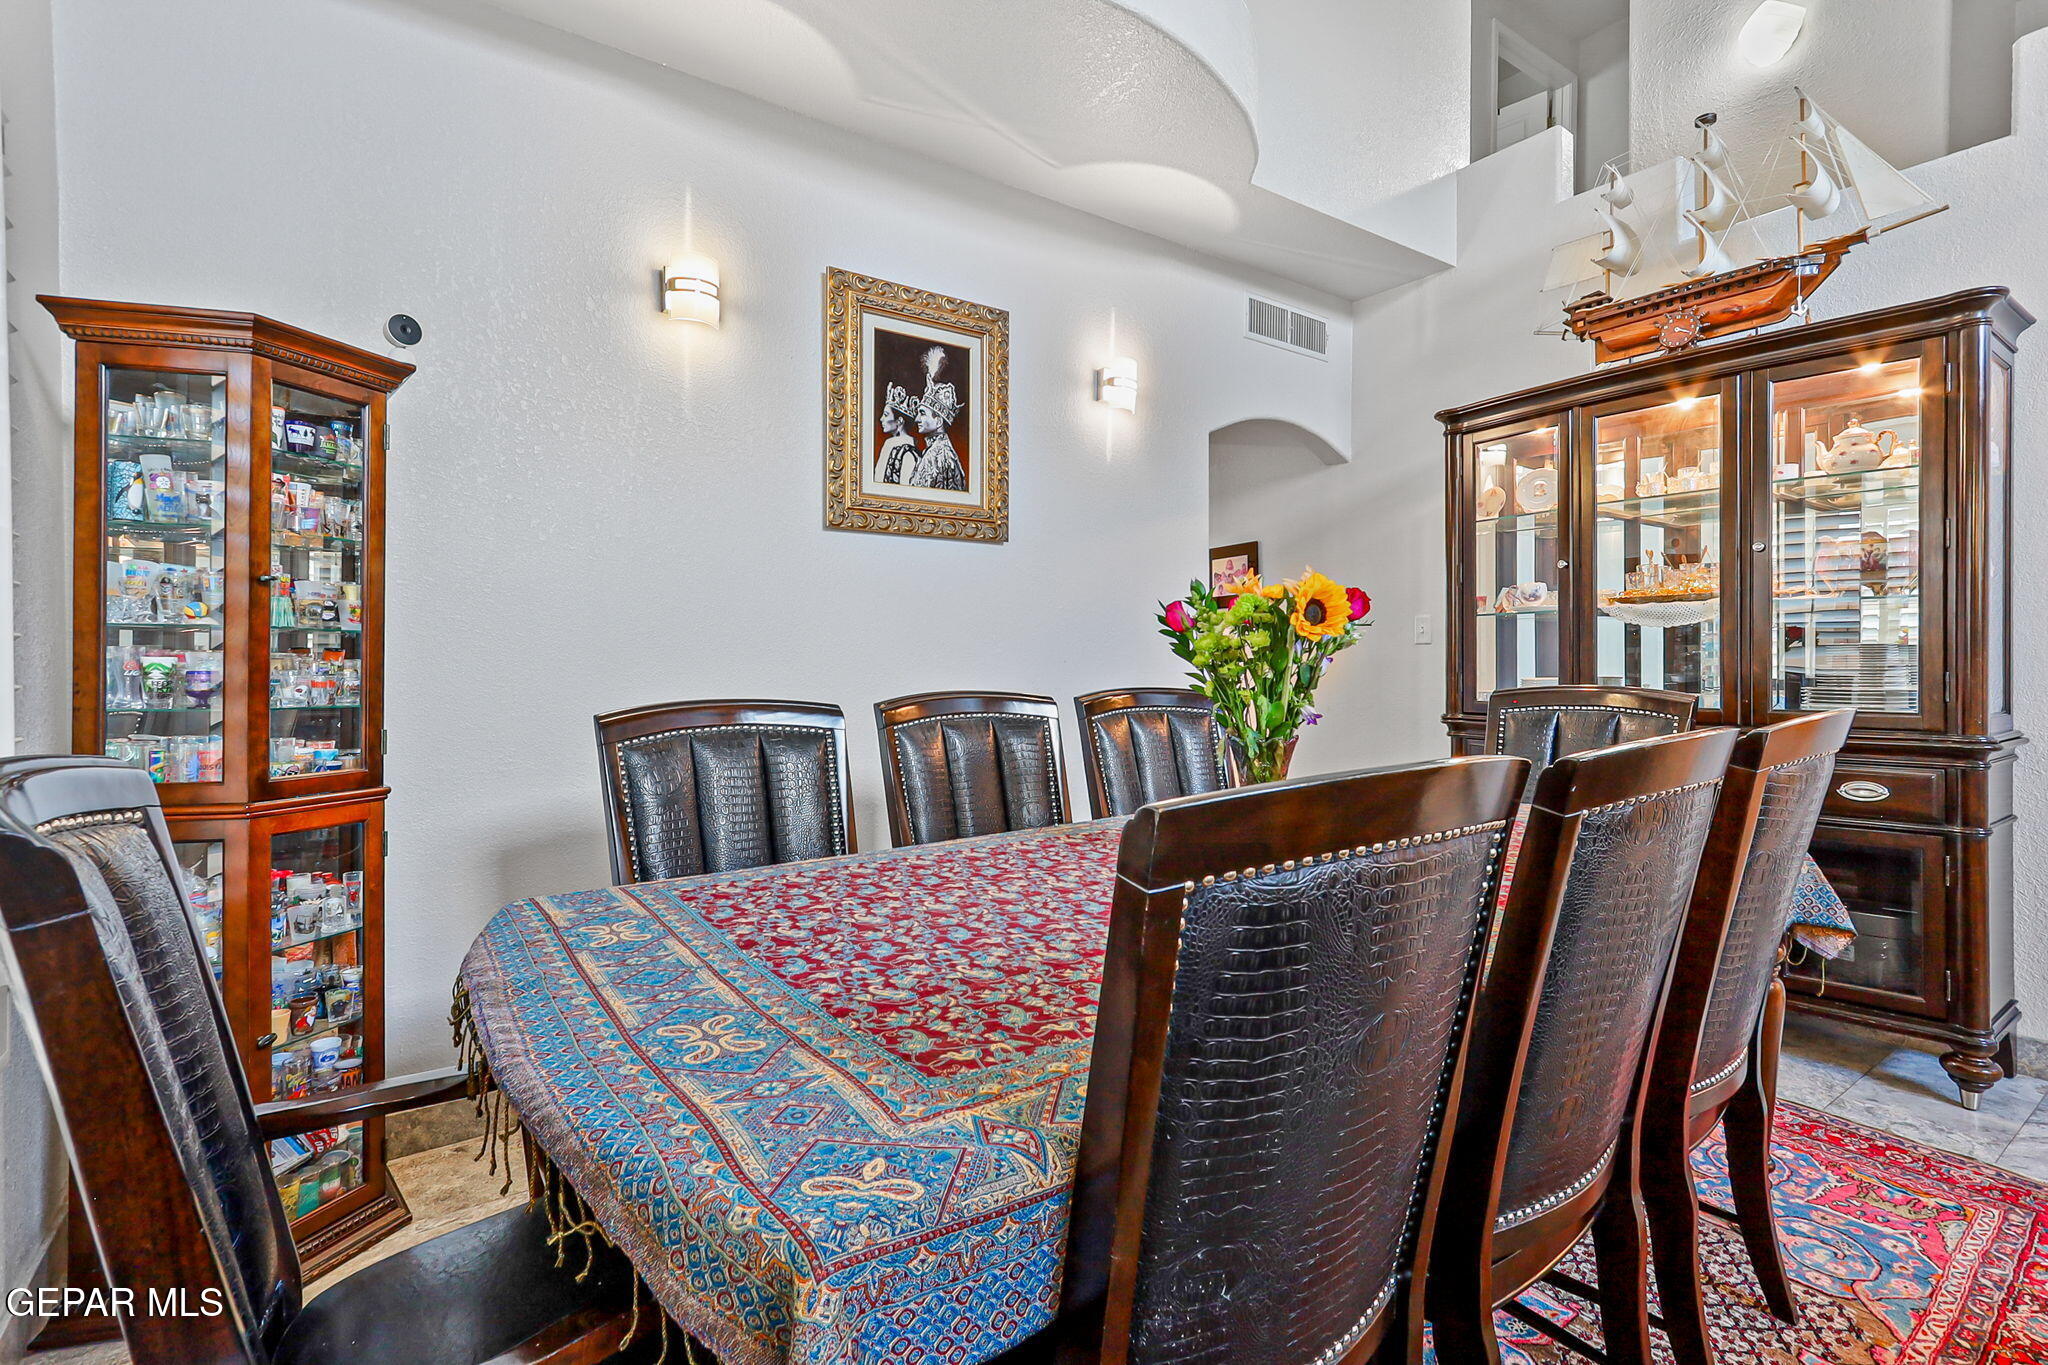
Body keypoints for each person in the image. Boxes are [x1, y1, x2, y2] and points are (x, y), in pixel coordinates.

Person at [908, 382, 966, 492]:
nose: (917, 419)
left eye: (923, 413)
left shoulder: (940, 454)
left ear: (938, 421)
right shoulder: (935, 450)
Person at [874, 383, 920, 484]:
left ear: (899, 421)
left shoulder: (894, 446)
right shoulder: (891, 445)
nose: (881, 419)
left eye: (886, 415)